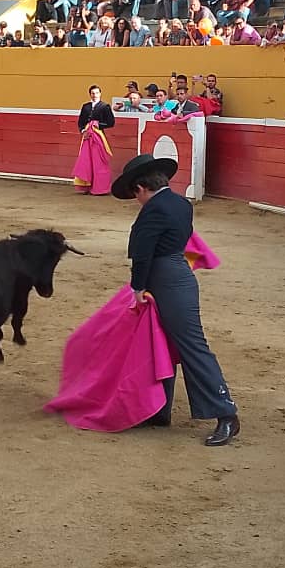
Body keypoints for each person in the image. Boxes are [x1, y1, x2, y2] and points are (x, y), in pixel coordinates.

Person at [108, 154, 239, 444]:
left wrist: (137, 288)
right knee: (162, 344)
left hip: (166, 280)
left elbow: (143, 254)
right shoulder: (181, 203)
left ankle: (226, 412)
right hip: (176, 274)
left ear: (141, 188)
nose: (136, 200)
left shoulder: (153, 210)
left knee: (192, 346)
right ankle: (159, 409)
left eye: (134, 194)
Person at [73, 85, 115, 195]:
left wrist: (98, 124)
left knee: (98, 161)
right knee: (86, 161)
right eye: (92, 93)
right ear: (89, 94)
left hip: (98, 136)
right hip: (87, 137)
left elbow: (111, 123)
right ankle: (86, 186)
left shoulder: (105, 106)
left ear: (100, 94)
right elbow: (80, 122)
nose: (94, 95)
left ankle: (99, 187)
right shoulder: (86, 106)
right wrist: (83, 131)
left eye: (96, 93)